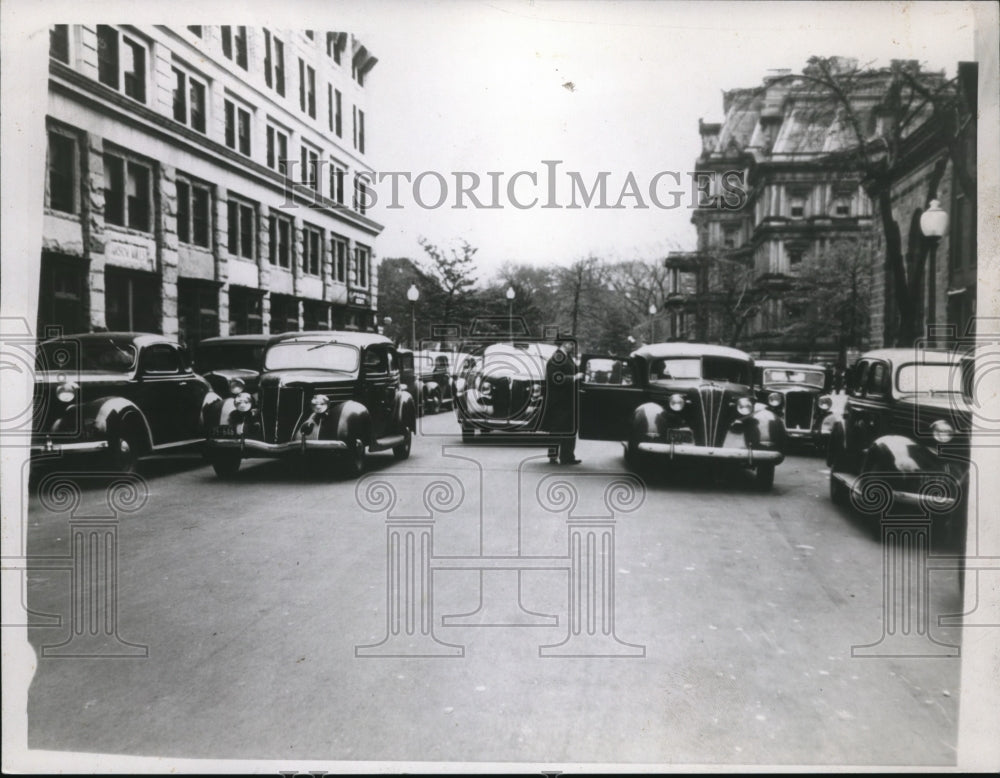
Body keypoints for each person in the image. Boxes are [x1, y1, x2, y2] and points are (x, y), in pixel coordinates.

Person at [541, 339, 582, 464]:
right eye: (571, 344)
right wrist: (574, 378)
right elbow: (555, 377)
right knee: (558, 429)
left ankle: (567, 456)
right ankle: (557, 456)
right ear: (565, 344)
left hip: (565, 400)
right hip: (559, 400)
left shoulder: (565, 357)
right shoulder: (558, 357)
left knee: (567, 428)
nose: (573, 347)